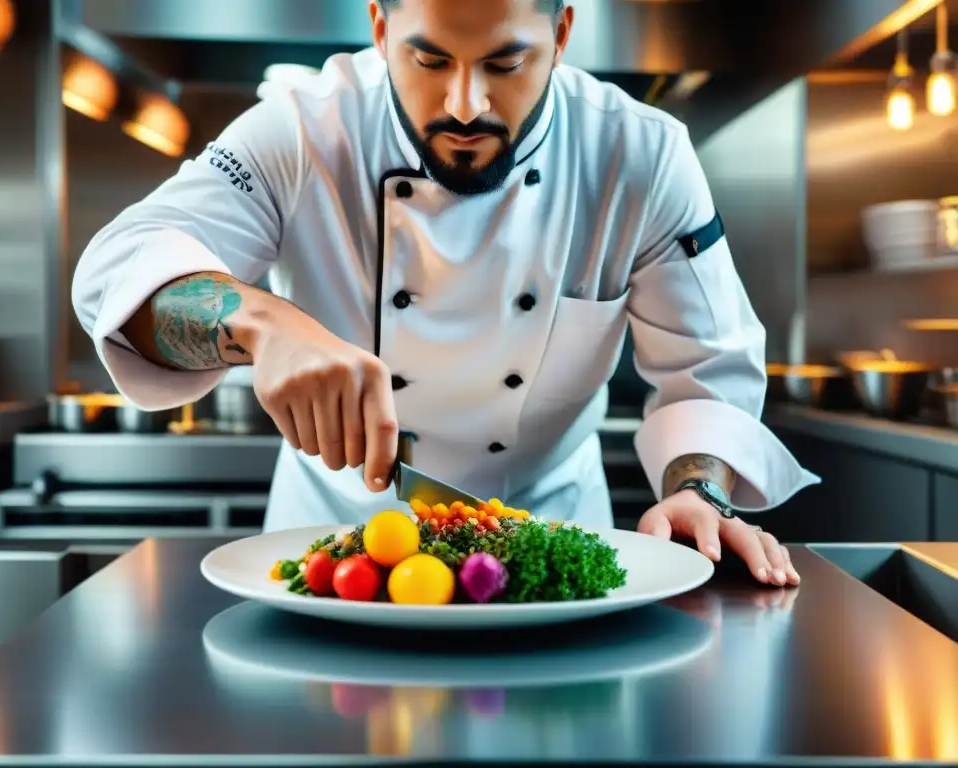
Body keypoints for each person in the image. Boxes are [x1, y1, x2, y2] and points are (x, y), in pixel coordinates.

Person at [72, 0, 819, 587]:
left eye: (505, 61)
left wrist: (699, 495)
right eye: (429, 58)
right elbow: (120, 267)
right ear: (378, 26)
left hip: (551, 548)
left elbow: (706, 374)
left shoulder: (640, 155)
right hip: (334, 552)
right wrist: (264, 325)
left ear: (561, 34)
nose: (465, 104)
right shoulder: (301, 130)